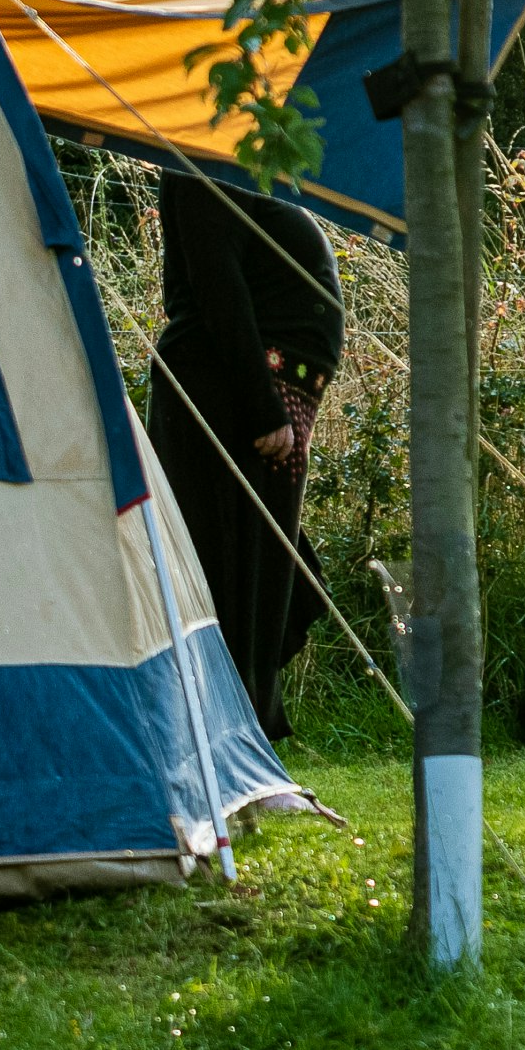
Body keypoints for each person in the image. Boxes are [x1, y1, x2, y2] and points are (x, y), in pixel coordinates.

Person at [139, 152, 345, 742]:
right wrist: (263, 408)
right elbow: (217, 286)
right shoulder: (196, 161)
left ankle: (245, 732)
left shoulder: (234, 162)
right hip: (232, 402)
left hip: (256, 403)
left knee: (262, 570)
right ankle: (228, 740)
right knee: (230, 570)